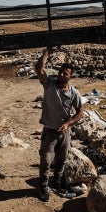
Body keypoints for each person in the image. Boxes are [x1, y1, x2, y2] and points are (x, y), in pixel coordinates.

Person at [35, 47, 84, 202]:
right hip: (49, 131)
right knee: (46, 160)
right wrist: (48, 53)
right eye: (60, 72)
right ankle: (43, 187)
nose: (61, 75)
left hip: (64, 132)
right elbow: (38, 68)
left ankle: (56, 183)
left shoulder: (74, 93)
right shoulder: (49, 84)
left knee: (62, 159)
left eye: (65, 73)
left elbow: (80, 113)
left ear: (70, 76)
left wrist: (68, 124)